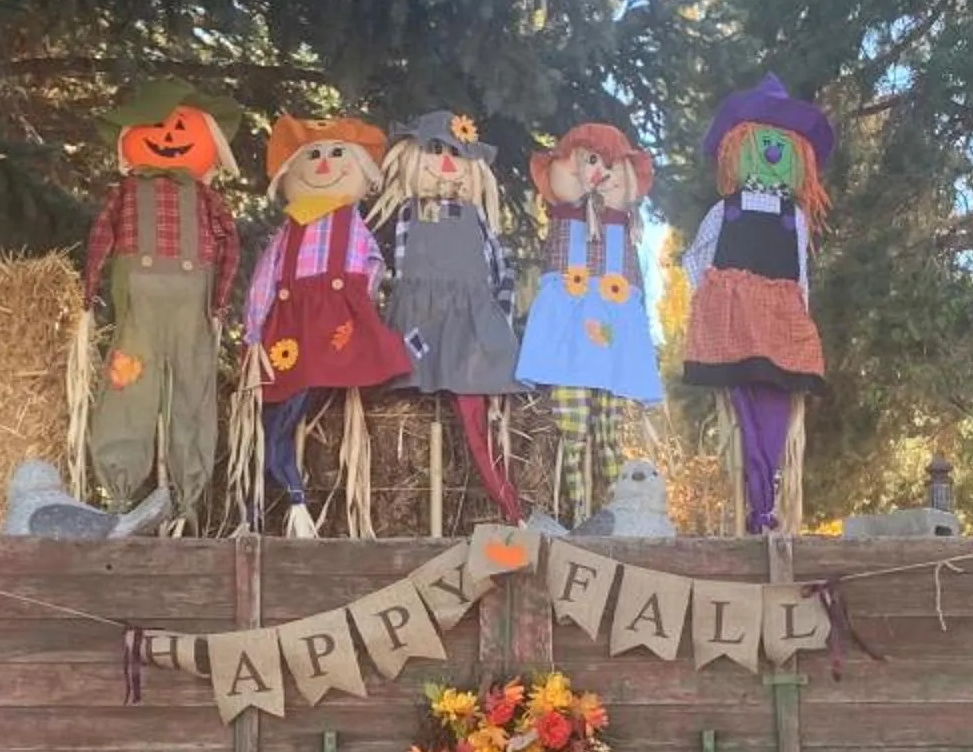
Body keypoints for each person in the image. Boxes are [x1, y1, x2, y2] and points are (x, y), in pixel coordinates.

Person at [76, 84, 242, 525]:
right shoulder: (128, 190)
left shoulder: (205, 197)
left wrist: (220, 301)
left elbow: (229, 244)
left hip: (191, 308)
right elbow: (101, 237)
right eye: (158, 125)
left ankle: (187, 501)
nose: (169, 135)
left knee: (191, 390)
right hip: (144, 309)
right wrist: (89, 291)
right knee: (130, 387)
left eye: (180, 126)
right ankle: (121, 492)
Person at [242, 115, 410, 536]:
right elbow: (266, 278)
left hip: (337, 321)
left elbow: (373, 265)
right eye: (312, 155)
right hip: (293, 326)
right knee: (286, 402)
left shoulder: (353, 224)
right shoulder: (288, 231)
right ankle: (288, 486)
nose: (323, 164)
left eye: (337, 154)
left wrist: (360, 303)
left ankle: (298, 487)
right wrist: (253, 331)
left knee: (328, 392)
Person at [681, 75, 832, 535]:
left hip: (780, 325)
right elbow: (696, 261)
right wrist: (714, 299)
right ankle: (753, 500)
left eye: (780, 145)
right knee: (741, 412)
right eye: (762, 143)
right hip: (733, 322)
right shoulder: (724, 211)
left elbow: (801, 279)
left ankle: (767, 504)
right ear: (738, 148)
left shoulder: (797, 219)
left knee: (773, 412)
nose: (771, 152)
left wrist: (797, 317)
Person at [375, 110, 526, 524]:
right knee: (403, 412)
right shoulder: (408, 212)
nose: (445, 162)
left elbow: (499, 266)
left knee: (474, 411)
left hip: (468, 322)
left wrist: (499, 316)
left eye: (455, 153)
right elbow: (393, 272)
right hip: (421, 319)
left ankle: (506, 503)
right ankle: (406, 514)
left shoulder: (476, 216)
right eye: (434, 150)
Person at [515, 120, 664, 525]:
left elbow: (636, 302)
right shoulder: (563, 220)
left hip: (612, 348)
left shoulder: (626, 230)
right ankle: (575, 515)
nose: (599, 173)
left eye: (609, 164)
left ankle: (613, 517)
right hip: (569, 346)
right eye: (590, 160)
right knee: (571, 432)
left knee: (609, 435)